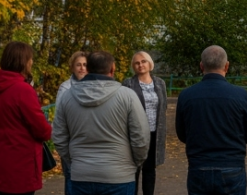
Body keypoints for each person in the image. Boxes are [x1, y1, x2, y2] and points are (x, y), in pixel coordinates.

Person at [53, 51, 149, 195]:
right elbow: (141, 136)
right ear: (112, 68)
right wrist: (134, 163)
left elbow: (59, 137)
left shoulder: (67, 96)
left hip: (81, 175)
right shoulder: (127, 96)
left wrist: (75, 162)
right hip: (119, 176)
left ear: (88, 69)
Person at [176, 45, 247, 195]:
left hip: (199, 164)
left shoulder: (186, 95)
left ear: (201, 66)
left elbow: (182, 134)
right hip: (232, 164)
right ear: (226, 66)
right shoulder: (240, 95)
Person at [0, 41, 53, 195]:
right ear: (23, 62)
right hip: (22, 163)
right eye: (30, 58)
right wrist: (49, 127)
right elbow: (41, 130)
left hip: (1, 160)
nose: (32, 62)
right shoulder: (23, 90)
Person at [122, 51, 168, 195]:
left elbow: (164, 106)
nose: (140, 65)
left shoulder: (160, 83)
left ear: (150, 64)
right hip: (136, 134)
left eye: (143, 61)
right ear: (133, 66)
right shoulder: (128, 84)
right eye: (137, 63)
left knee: (150, 169)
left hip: (155, 133)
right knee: (134, 170)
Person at [57, 52, 89, 195]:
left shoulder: (95, 86)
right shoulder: (65, 88)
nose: (82, 68)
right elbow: (59, 118)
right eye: (78, 65)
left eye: (85, 65)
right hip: (71, 143)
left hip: (90, 142)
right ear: (72, 67)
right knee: (71, 181)